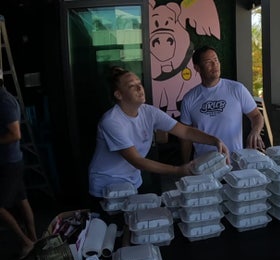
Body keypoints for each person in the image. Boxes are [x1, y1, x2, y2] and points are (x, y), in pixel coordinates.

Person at [88, 66, 229, 200]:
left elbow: (185, 131)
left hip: (132, 182)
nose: (139, 88)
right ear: (118, 95)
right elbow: (137, 161)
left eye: (139, 83)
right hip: (106, 186)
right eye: (132, 86)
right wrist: (178, 170)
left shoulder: (149, 112)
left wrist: (215, 140)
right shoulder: (111, 121)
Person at [179, 45, 265, 163]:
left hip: (235, 165)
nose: (215, 65)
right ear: (197, 68)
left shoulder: (237, 89)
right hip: (204, 167)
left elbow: (256, 116)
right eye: (208, 62)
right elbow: (185, 136)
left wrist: (255, 131)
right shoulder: (189, 99)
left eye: (216, 60)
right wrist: (185, 165)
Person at [0, 77, 37, 260]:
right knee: (21, 199)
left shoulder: (4, 101)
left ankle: (26, 241)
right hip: (10, 162)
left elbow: (15, 134)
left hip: (9, 163)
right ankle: (33, 239)